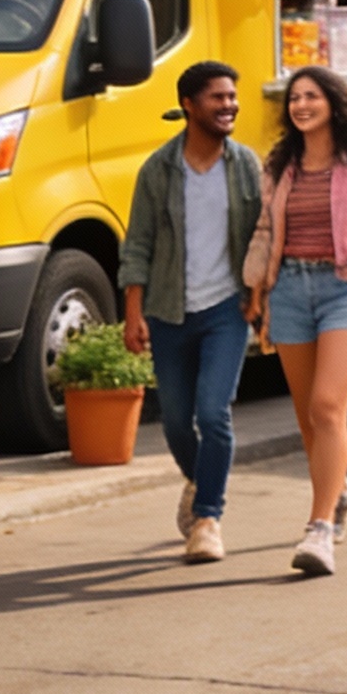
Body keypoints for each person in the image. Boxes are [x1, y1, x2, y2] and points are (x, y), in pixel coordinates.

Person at [247, 67, 347, 578]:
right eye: (294, 98)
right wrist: (261, 295)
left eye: (311, 96)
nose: (301, 105)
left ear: (334, 102)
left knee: (329, 407)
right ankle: (341, 488)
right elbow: (267, 232)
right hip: (289, 290)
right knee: (309, 419)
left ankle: (320, 529)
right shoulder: (281, 166)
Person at [118, 61, 261, 565]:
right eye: (218, 98)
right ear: (189, 106)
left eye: (232, 97)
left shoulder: (245, 165)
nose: (229, 106)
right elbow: (136, 245)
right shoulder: (158, 171)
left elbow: (263, 237)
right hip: (168, 308)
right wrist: (133, 312)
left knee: (212, 413)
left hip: (226, 308)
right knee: (177, 421)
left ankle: (207, 519)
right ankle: (199, 475)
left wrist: (260, 298)